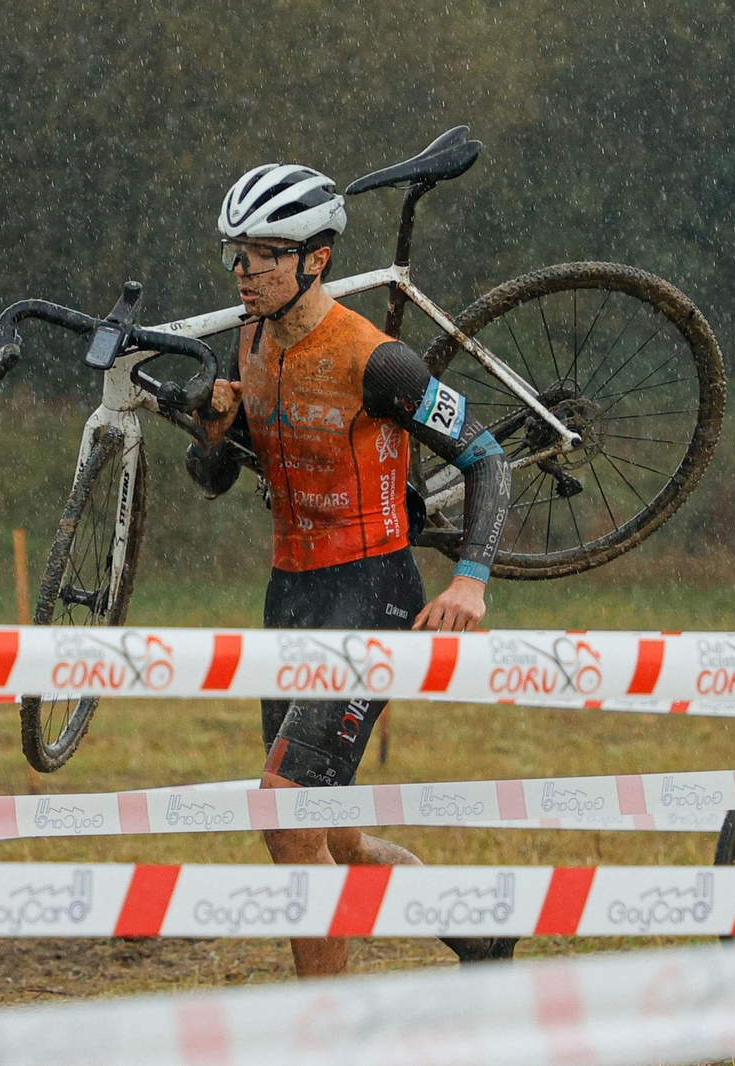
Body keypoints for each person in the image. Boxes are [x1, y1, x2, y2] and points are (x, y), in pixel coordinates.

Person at [186, 163, 514, 975]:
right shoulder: (250, 340)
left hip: (372, 591)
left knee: (285, 813)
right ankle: (479, 936)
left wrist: (470, 579)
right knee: (327, 834)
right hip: (291, 593)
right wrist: (214, 431)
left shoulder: (379, 361)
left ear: (317, 259)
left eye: (264, 255)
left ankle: (324, 1032)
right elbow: (218, 477)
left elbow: (487, 458)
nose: (244, 272)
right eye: (238, 254)